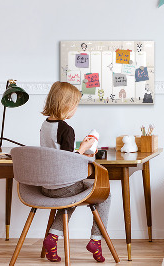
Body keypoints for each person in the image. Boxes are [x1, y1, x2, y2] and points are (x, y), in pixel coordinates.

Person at [40, 81, 110, 263]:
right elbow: (67, 161)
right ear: (67, 105)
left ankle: (52, 238)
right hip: (63, 186)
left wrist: (79, 149)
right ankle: (96, 240)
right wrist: (84, 149)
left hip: (46, 186)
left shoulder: (45, 125)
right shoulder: (66, 129)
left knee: (70, 198)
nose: (76, 109)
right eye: (76, 105)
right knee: (105, 194)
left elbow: (57, 154)